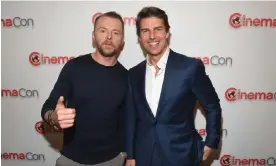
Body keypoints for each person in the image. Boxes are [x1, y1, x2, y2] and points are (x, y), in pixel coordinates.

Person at [125, 6, 222, 166]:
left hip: (181, 154)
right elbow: (131, 117)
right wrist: (130, 155)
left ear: (167, 33)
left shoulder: (190, 67)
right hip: (144, 156)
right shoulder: (133, 74)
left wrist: (211, 142)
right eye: (145, 31)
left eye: (158, 29)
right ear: (139, 37)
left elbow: (212, 106)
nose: (152, 36)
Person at [41, 11, 127, 166]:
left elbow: (127, 122)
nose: (109, 37)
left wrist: (125, 154)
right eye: (103, 31)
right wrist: (53, 117)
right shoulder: (74, 67)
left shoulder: (127, 77)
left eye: (115, 33)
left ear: (122, 41)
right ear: (94, 36)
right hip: (71, 159)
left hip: (112, 160)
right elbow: (49, 105)